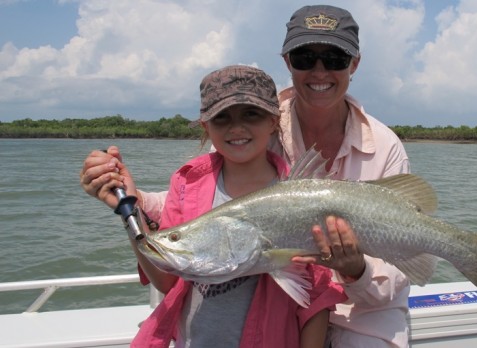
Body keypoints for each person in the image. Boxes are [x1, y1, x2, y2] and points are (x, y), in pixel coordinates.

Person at [81, 5, 412, 347]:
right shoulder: (254, 126)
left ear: (355, 63)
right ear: (287, 61)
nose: (319, 70)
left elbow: (397, 274)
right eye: (304, 57)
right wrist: (130, 197)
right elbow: (204, 203)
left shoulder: (386, 146)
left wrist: (355, 269)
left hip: (363, 306)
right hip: (287, 293)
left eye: (335, 58)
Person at [92, 65, 347, 348]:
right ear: (206, 126)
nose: (236, 128)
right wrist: (129, 211)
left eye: (251, 114)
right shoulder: (186, 182)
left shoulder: (302, 196)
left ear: (274, 121)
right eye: (221, 117)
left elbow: (317, 298)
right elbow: (167, 281)